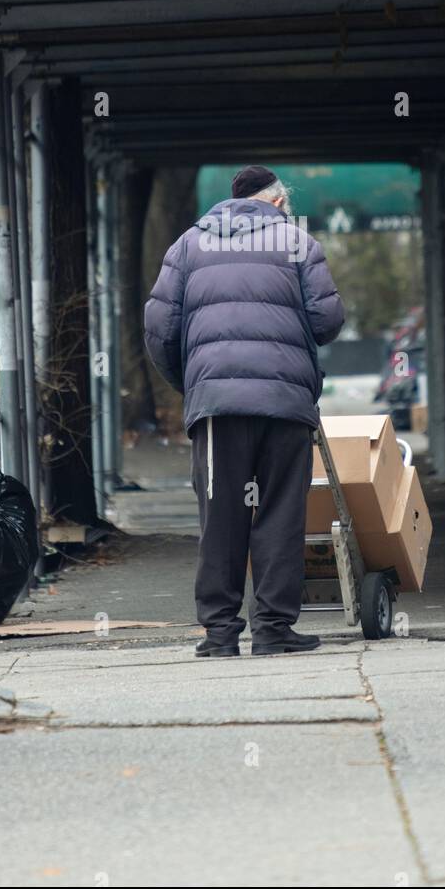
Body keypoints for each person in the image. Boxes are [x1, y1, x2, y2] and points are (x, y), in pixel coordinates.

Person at [144, 166, 345, 658]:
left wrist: (195, 387)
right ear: (276, 202)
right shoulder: (297, 242)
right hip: (284, 405)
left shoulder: (186, 246)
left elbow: (159, 330)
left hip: (216, 410)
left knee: (221, 516)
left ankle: (219, 635)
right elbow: (327, 321)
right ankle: (274, 630)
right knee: (280, 512)